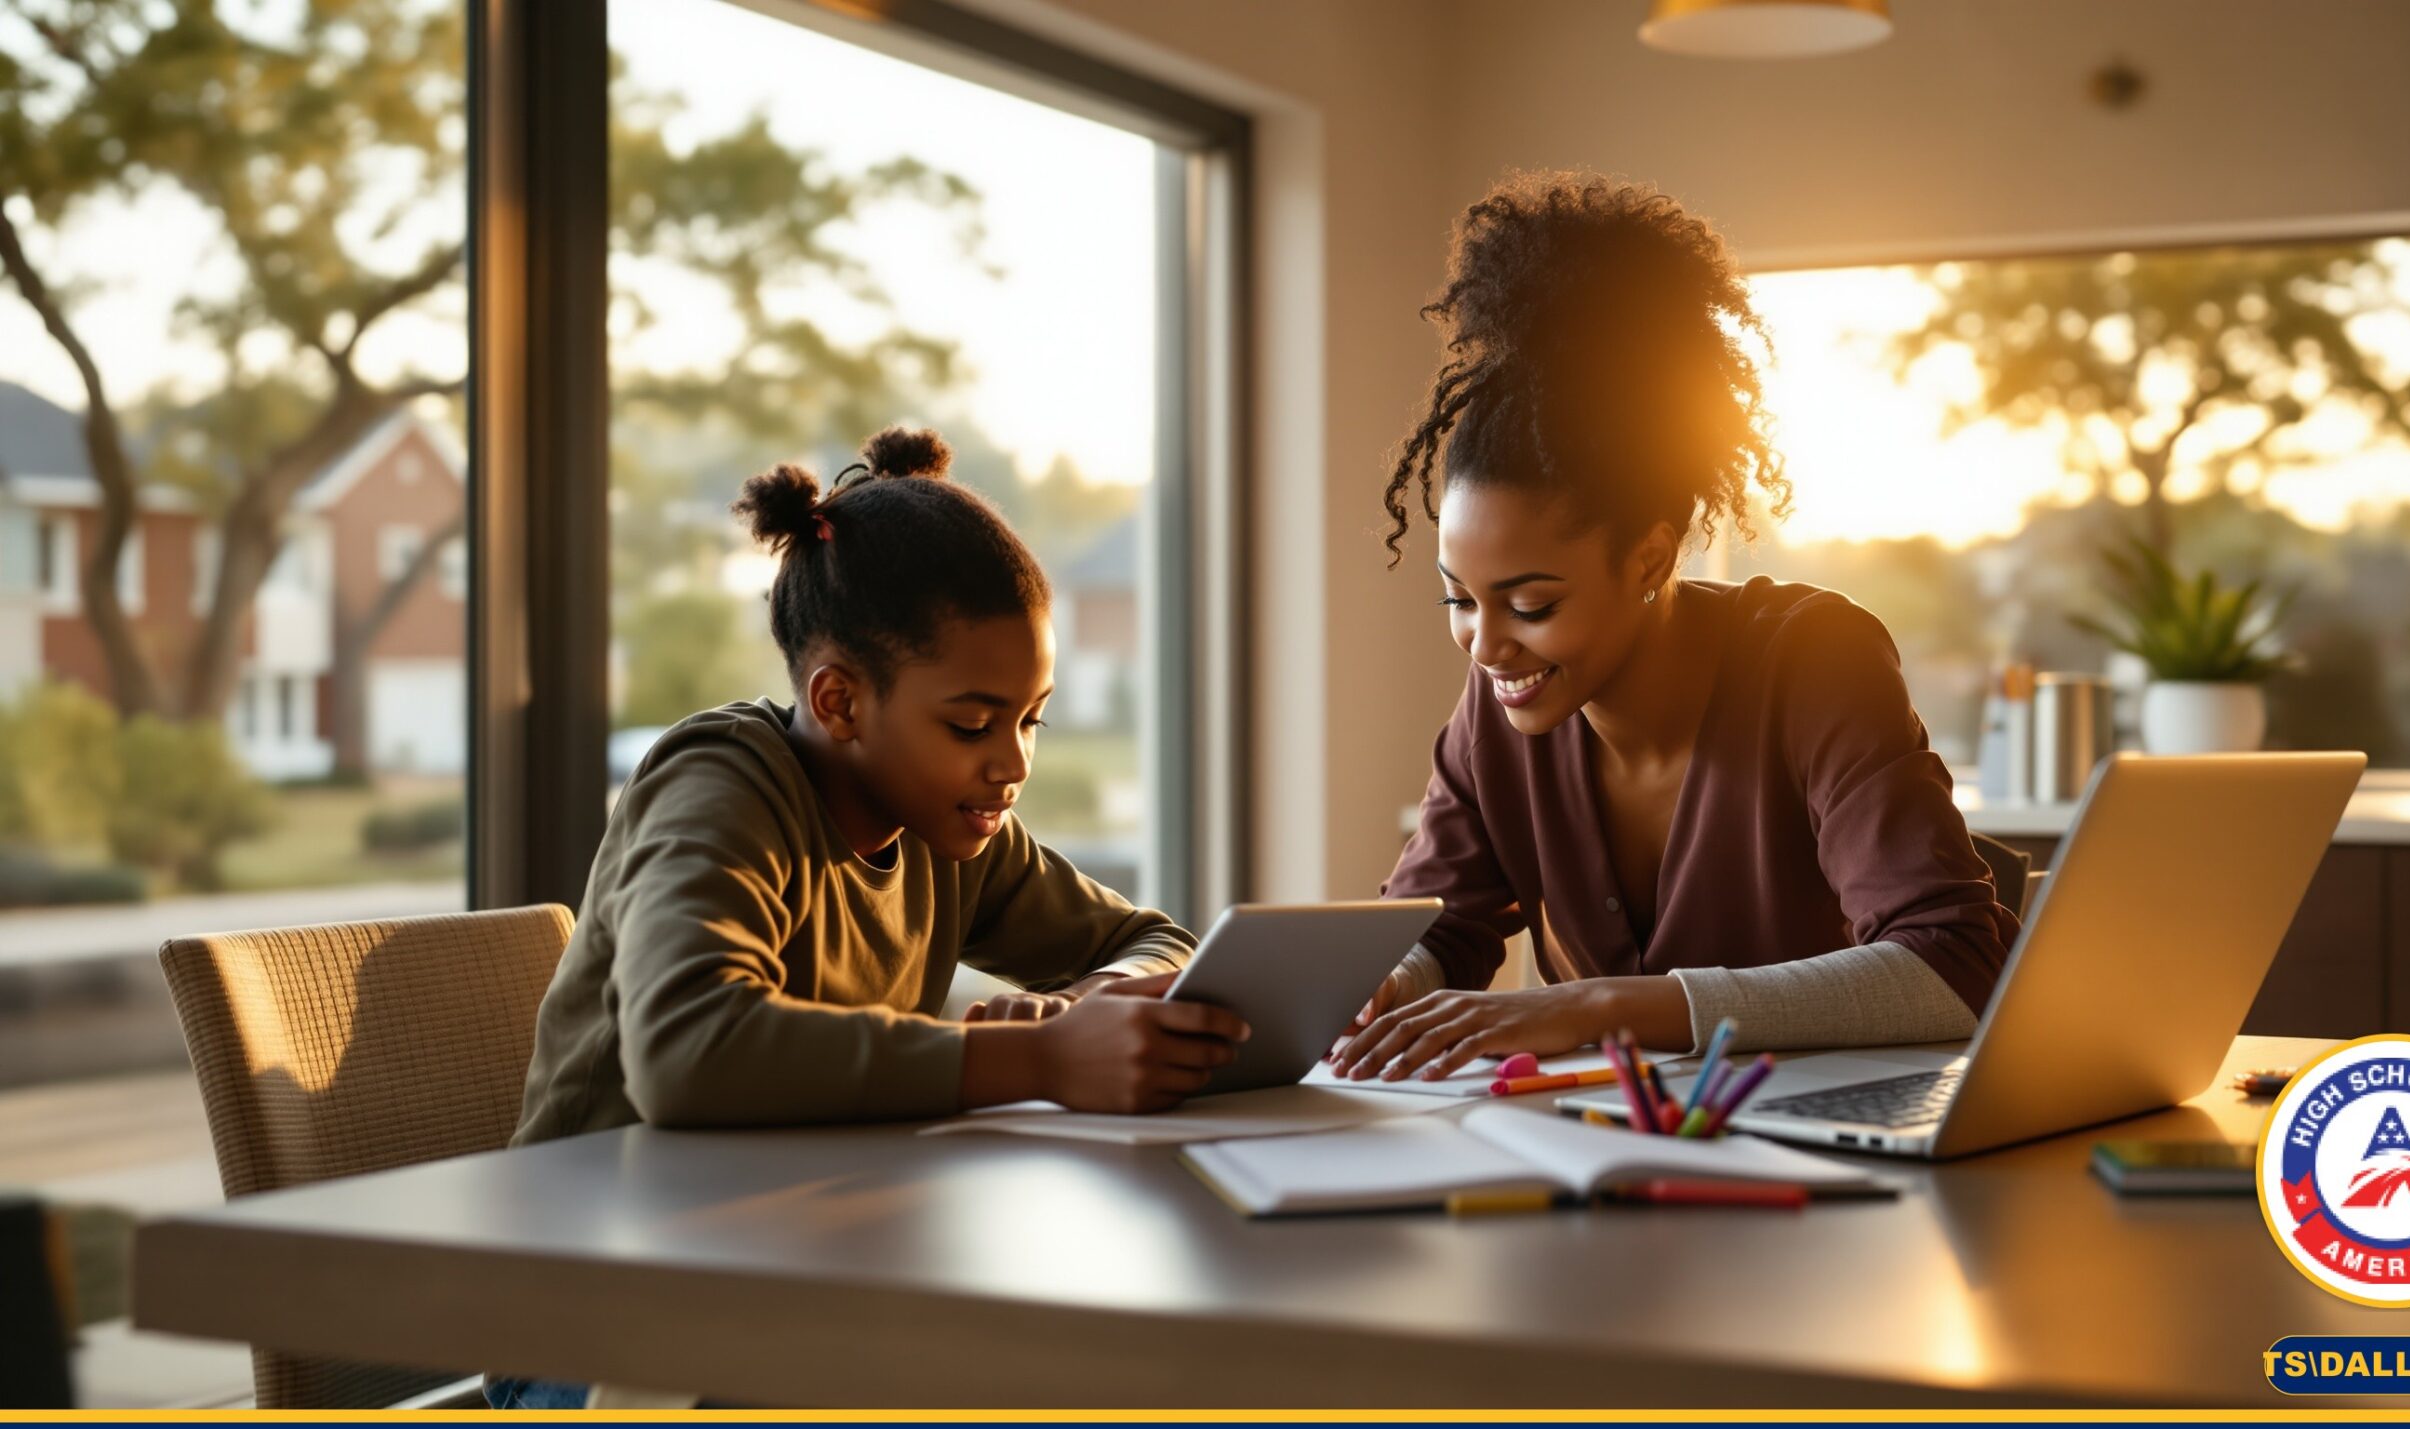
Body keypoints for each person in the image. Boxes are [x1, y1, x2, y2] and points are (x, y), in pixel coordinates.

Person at [489, 428, 1246, 1408]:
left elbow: (1145, 937)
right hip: (602, 1334)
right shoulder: (718, 786)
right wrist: (1038, 1060)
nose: (1012, 764)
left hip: (792, 1288)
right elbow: (688, 1052)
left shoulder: (946, 829)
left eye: (1030, 719)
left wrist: (1095, 1005)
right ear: (839, 699)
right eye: (972, 723)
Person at [1328, 172, 2017, 1084]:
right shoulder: (1503, 704)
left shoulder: (1812, 661)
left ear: (1651, 559)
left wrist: (1598, 1004)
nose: (1488, 644)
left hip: (1836, 1162)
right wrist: (1382, 987)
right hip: (1620, 1164)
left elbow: (1953, 962)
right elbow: (1442, 926)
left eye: (1531, 604)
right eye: (1459, 598)